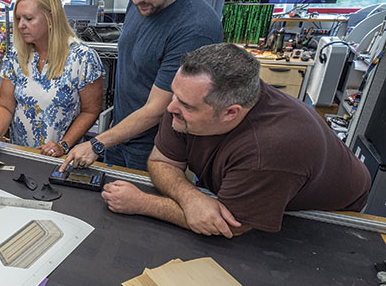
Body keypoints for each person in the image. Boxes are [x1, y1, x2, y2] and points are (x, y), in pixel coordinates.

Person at [100, 43, 371, 236]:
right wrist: (191, 197)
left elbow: (230, 225)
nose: (171, 107)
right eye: (175, 95)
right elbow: (162, 161)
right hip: (253, 184)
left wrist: (143, 203)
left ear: (231, 113)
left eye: (185, 105)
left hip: (327, 214)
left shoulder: (271, 149)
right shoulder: (186, 102)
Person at [63, 0, 223, 172]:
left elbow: (157, 109)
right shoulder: (143, 0)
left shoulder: (195, 28)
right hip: (121, 135)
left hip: (157, 150)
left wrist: (97, 143)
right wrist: (113, 132)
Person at [0, 0, 104, 157]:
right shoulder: (16, 55)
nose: (21, 25)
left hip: (62, 157)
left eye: (29, 19)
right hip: (22, 154)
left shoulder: (82, 58)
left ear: (51, 18)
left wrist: (63, 145)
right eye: (18, 19)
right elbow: (5, 106)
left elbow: (90, 111)